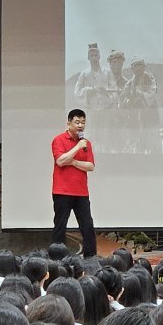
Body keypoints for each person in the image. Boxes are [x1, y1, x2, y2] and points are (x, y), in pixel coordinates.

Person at [51, 109, 97, 259]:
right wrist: (77, 148)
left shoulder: (87, 144)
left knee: (87, 226)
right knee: (60, 226)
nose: (80, 126)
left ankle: (91, 258)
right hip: (62, 191)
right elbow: (60, 161)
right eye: (77, 122)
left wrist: (74, 161)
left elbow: (90, 166)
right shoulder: (59, 140)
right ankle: (57, 260)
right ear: (69, 123)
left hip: (81, 192)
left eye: (83, 122)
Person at [120, 57, 160, 154]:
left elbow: (152, 93)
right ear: (132, 69)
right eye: (135, 66)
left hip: (150, 117)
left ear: (144, 67)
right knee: (137, 145)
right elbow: (122, 99)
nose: (137, 68)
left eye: (140, 65)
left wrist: (140, 95)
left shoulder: (150, 79)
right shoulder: (129, 84)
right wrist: (129, 101)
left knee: (152, 144)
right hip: (135, 120)